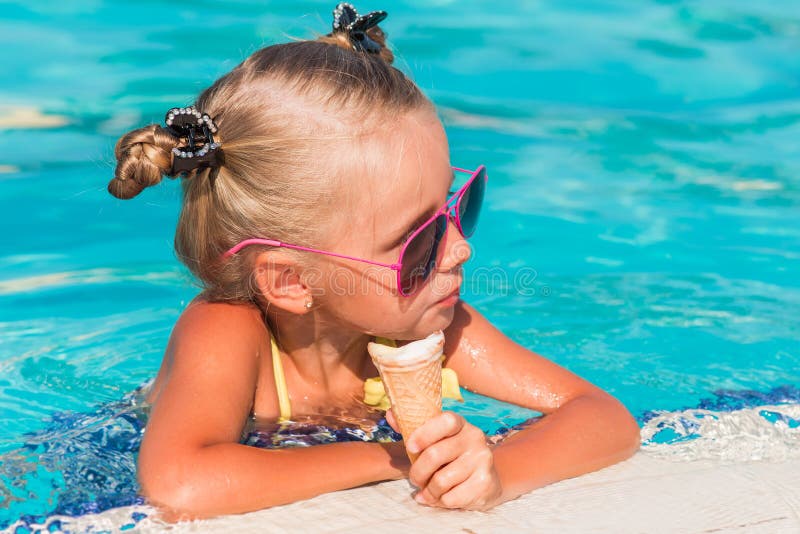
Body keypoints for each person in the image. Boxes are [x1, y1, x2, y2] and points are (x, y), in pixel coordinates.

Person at [108, 2, 640, 520]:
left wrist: (495, 473)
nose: (460, 249)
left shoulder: (427, 323)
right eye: (419, 242)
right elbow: (180, 483)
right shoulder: (225, 331)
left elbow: (603, 416)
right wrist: (394, 459)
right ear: (291, 280)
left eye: (460, 207)